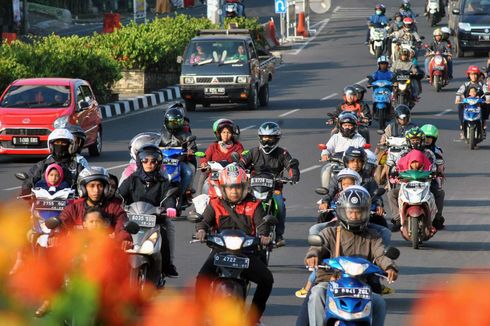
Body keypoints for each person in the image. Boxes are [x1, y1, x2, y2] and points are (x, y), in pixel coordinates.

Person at [296, 187, 398, 326]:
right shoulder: (330, 232)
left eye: (359, 212)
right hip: (330, 283)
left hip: (360, 286)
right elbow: (317, 247)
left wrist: (389, 267)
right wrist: (313, 256)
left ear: (366, 213)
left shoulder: (373, 236)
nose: (355, 216)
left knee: (379, 303)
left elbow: (380, 254)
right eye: (351, 212)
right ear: (342, 212)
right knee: (317, 293)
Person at [194, 165, 273, 324]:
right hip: (220, 251)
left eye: (238, 187)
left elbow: (262, 225)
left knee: (267, 280)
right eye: (230, 187)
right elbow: (203, 222)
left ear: (244, 187)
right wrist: (201, 231)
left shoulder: (254, 205)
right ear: (223, 188)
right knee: (201, 279)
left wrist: (265, 236)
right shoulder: (215, 204)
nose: (234, 191)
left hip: (246, 253)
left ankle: (254, 318)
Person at [118, 144, 179, 278]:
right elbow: (119, 195)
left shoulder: (163, 182)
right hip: (132, 219)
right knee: (116, 232)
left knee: (167, 231)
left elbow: (169, 197)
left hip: (155, 220)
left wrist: (170, 208)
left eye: (153, 161)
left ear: (158, 163)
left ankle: (167, 265)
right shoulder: (132, 179)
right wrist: (117, 204)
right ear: (140, 162)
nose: (149, 164)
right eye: (145, 161)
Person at [240, 122, 300, 247]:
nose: (266, 141)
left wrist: (293, 174)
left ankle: (279, 236)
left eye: (270, 138)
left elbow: (291, 165)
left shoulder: (282, 153)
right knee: (241, 203)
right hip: (253, 188)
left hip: (274, 189)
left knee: (281, 206)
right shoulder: (253, 152)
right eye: (264, 138)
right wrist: (239, 170)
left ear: (276, 138)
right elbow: (241, 164)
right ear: (260, 138)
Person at [59, 167, 132, 247]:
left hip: (105, 251)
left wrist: (124, 239)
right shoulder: (73, 209)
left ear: (105, 188)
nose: (96, 190)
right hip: (77, 251)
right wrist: (55, 235)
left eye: (99, 186)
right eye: (92, 186)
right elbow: (61, 222)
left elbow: (122, 226)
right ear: (84, 188)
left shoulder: (115, 209)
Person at [21, 129, 86, 196]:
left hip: (70, 203)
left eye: (64, 143)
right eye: (57, 142)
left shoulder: (77, 166)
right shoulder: (42, 165)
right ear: (51, 145)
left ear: (70, 146)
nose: (60, 145)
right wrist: (26, 188)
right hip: (42, 203)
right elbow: (30, 179)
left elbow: (87, 181)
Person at [160, 106, 198, 208]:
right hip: (164, 160)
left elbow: (193, 146)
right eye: (172, 122)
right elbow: (155, 143)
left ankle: (182, 194)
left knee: (188, 172)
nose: (174, 124)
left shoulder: (185, 133)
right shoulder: (162, 133)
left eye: (176, 122)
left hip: (180, 160)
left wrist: (190, 151)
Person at [199, 119, 244, 194]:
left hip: (232, 175)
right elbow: (205, 157)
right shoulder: (213, 146)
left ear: (232, 134)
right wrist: (204, 163)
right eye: (223, 132)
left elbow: (243, 158)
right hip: (215, 174)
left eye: (228, 132)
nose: (226, 135)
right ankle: (200, 196)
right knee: (204, 177)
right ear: (219, 134)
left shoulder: (237, 147)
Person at [455, 66, 489, 139]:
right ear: (469, 75)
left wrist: (488, 99)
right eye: (471, 74)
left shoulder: (482, 85)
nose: (473, 76)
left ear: (478, 75)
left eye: (475, 74)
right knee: (460, 106)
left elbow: (487, 92)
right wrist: (458, 99)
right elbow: (459, 92)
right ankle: (462, 126)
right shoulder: (465, 85)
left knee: (487, 106)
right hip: (468, 105)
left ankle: (483, 126)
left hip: (479, 104)